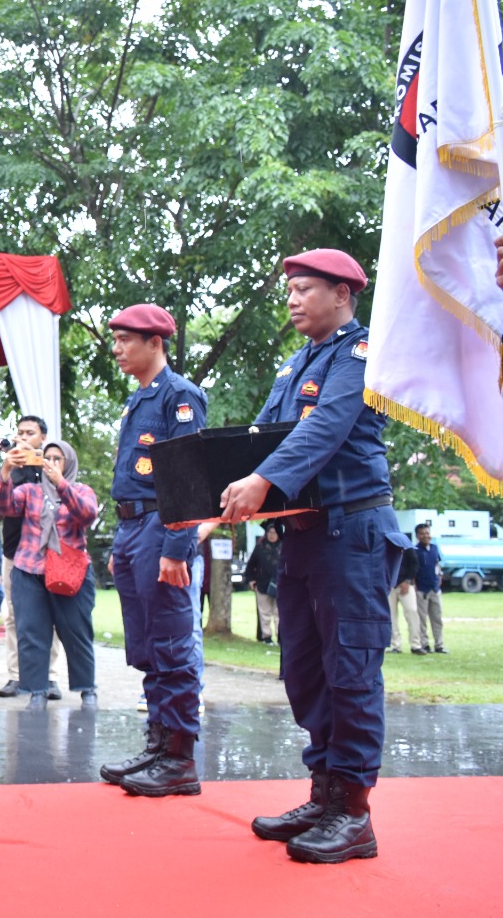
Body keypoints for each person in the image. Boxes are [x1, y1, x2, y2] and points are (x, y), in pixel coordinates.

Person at [219, 247, 406, 864]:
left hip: (351, 533)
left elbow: (323, 428)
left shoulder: (361, 353)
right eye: (291, 290)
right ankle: (324, 793)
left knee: (349, 671)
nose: (294, 299)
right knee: (303, 670)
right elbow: (263, 436)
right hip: (301, 538)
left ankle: (353, 811)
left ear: (343, 296)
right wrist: (204, 501)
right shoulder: (297, 363)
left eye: (305, 289)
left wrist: (263, 483)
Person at [98, 303, 207, 799]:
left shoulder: (179, 397)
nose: (117, 349)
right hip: (131, 529)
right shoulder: (137, 400)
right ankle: (158, 746)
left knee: (172, 644)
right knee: (146, 644)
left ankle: (179, 758)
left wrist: (177, 548)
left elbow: (188, 477)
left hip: (161, 529)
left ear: (154, 343)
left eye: (125, 340)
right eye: (115, 339)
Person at [0, 440, 100, 708]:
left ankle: (87, 690)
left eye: (58, 458)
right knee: (31, 633)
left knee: (76, 632)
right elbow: (4, 507)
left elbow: (87, 515)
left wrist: (61, 484)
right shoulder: (30, 491)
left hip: (71, 573)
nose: (51, 463)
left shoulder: (80, 490)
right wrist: (4, 472)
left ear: (69, 463)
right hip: (30, 571)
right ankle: (36, 692)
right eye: (47, 457)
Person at [0, 415, 58, 698]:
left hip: (50, 552)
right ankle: (16, 676)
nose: (24, 437)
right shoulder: (8, 465)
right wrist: (1, 464)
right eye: (20, 432)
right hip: (14, 552)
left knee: (51, 616)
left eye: (30, 433)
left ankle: (49, 677)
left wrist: (46, 465)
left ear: (43, 437)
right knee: (14, 616)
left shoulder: (53, 463)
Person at [244, 524, 282, 645]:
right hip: (262, 584)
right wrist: (251, 580)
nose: (272, 535)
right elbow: (251, 565)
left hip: (280, 585)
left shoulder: (284, 546)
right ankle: (266, 637)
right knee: (264, 613)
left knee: (279, 613)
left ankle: (280, 637)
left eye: (274, 532)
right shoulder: (260, 547)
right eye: (270, 532)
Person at [412, 523, 445, 653]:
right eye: (422, 533)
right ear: (417, 536)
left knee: (437, 618)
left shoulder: (435, 548)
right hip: (422, 589)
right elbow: (414, 570)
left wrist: (439, 580)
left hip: (435, 588)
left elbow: (438, 565)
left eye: (427, 533)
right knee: (422, 619)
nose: (425, 536)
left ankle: (439, 644)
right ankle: (424, 644)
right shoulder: (415, 550)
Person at [387, 546, 421, 654]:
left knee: (412, 612)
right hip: (390, 586)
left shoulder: (407, 548)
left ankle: (416, 644)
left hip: (405, 585)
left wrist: (407, 580)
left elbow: (414, 564)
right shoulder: (386, 548)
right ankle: (395, 645)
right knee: (391, 616)